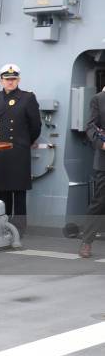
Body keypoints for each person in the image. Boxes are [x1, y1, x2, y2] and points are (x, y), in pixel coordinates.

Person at [0, 64, 42, 236]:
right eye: (7, 79)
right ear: (1, 80)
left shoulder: (27, 98)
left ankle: (19, 229)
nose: (10, 82)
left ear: (18, 80)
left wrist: (25, 142)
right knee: (1, 191)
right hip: (1, 151)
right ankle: (1, 227)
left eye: (13, 79)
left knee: (18, 192)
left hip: (19, 150)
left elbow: (35, 126)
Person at [79, 88, 105, 257]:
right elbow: (90, 126)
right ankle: (86, 242)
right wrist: (102, 144)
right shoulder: (99, 99)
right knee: (100, 202)